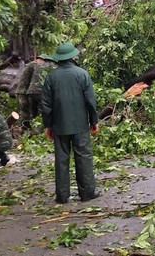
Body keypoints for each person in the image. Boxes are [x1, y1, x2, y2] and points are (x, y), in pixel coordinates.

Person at [41, 42, 100, 204]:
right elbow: (90, 101)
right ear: (73, 57)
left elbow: (46, 105)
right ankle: (87, 193)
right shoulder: (82, 74)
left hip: (59, 126)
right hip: (80, 125)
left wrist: (48, 125)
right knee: (84, 157)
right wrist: (94, 121)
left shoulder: (51, 77)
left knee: (61, 159)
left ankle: (62, 195)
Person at [16, 55, 54, 133]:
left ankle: (25, 130)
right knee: (38, 113)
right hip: (32, 92)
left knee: (29, 113)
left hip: (28, 91)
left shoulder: (35, 65)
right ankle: (32, 131)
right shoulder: (46, 66)